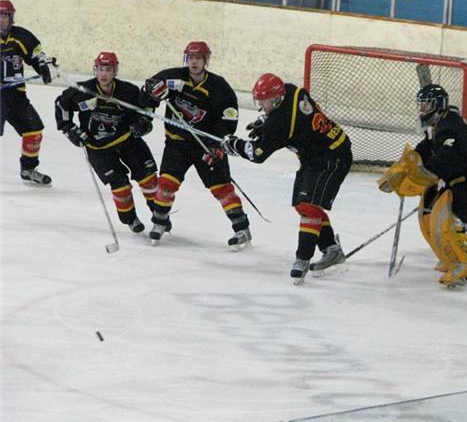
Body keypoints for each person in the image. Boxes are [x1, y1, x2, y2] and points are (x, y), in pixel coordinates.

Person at [218, 73, 352, 283]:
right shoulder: (291, 90)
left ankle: (302, 259)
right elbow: (292, 116)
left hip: (332, 157)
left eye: (263, 101)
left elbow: (258, 154)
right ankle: (331, 249)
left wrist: (233, 145)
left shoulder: (280, 124)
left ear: (276, 99)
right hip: (316, 155)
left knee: (309, 206)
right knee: (303, 205)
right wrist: (265, 120)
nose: (260, 105)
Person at [378, 84, 467, 287]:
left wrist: (419, 175)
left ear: (439, 104)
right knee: (439, 207)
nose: (422, 109)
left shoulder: (451, 126)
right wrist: (401, 170)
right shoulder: (439, 123)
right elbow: (425, 149)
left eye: (426, 105)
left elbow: (448, 160)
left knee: (453, 212)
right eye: (421, 105)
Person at [139, 41, 251, 247]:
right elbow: (147, 92)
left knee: (222, 188)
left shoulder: (219, 86)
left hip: (205, 146)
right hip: (177, 143)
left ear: (206, 60)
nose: (194, 62)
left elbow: (229, 119)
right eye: (190, 58)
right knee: (166, 184)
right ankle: (159, 223)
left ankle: (242, 229)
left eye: (198, 58)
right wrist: (152, 93)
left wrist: (216, 144)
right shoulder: (172, 76)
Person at [55, 51, 159, 233]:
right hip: (97, 147)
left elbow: (145, 108)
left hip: (127, 140)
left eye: (108, 70)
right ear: (95, 70)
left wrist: (143, 122)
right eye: (100, 69)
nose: (104, 74)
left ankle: (159, 215)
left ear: (115, 71)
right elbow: (61, 104)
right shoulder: (82, 91)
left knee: (148, 177)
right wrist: (69, 128)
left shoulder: (128, 91)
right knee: (119, 183)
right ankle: (130, 219)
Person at [1, 0, 56, 185]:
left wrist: (45, 68)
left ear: (11, 17)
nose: (1, 19)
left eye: (5, 16)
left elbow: (37, 56)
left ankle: (28, 169)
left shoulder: (21, 36)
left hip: (16, 95)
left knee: (34, 129)